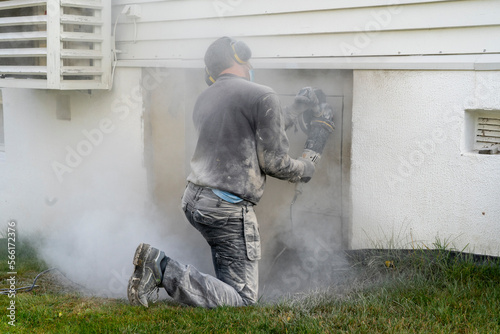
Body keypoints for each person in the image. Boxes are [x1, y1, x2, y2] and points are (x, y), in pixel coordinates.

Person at [127, 36, 319, 308]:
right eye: (248, 59)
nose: (251, 64)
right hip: (226, 208)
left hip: (195, 200)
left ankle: (180, 274)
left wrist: (293, 110)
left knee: (229, 281)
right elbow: (274, 162)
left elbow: (247, 135)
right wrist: (305, 169)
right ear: (239, 57)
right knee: (243, 299)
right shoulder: (262, 94)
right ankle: (161, 267)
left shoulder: (205, 98)